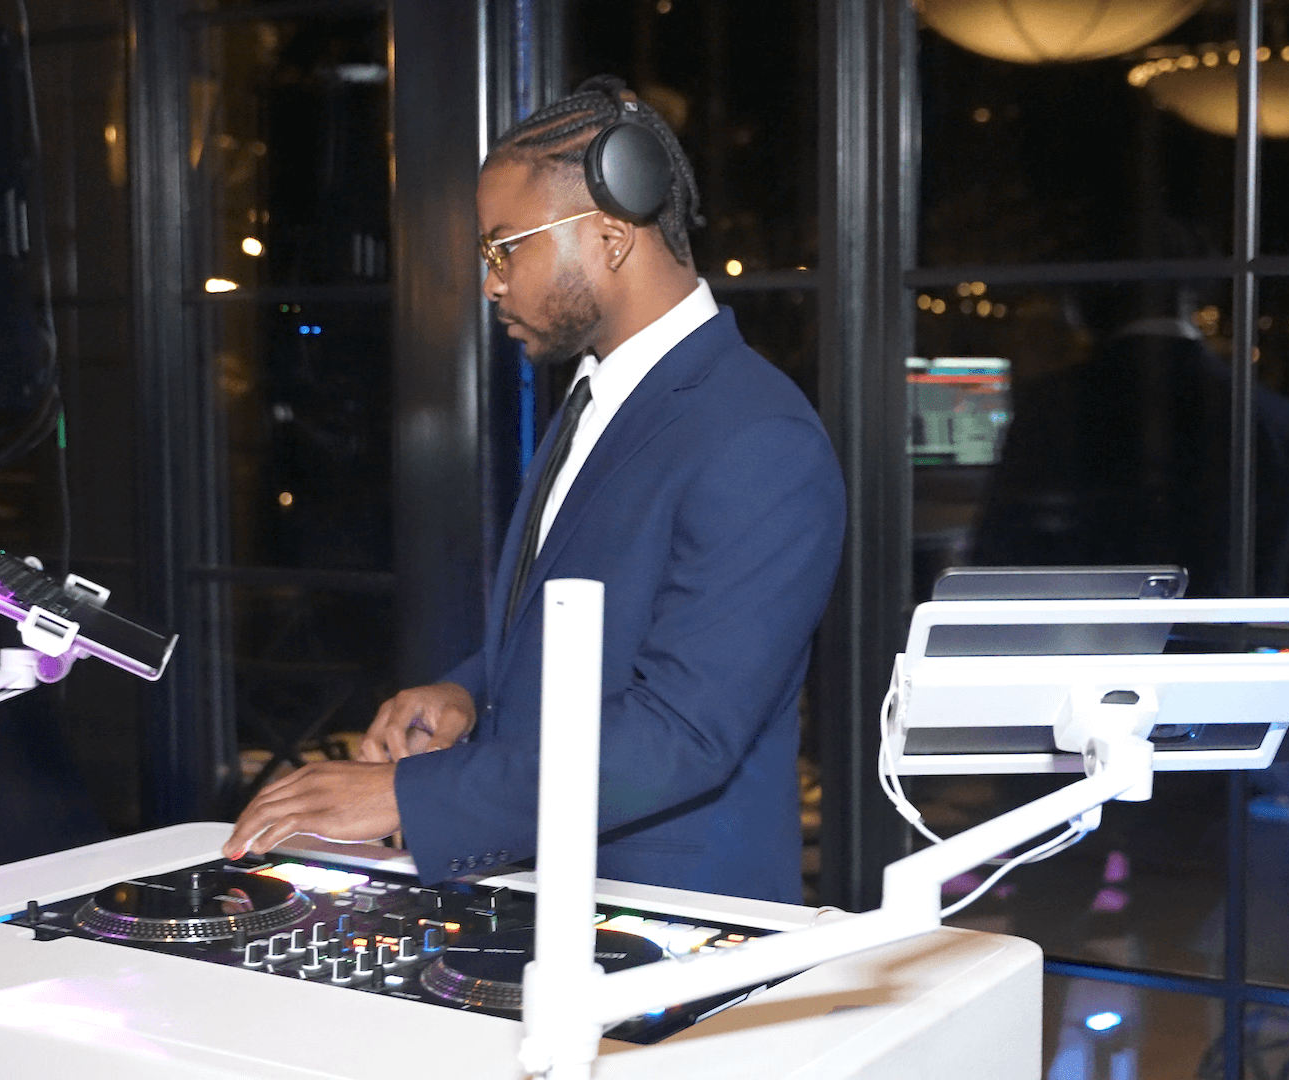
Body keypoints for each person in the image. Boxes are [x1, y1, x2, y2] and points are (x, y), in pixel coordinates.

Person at [223, 77, 846, 904]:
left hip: (673, 925)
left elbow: (681, 734)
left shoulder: (759, 437)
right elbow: (597, 620)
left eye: (503, 247)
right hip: (549, 901)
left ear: (610, 238)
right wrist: (469, 694)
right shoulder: (599, 395)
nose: (490, 283)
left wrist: (406, 797)